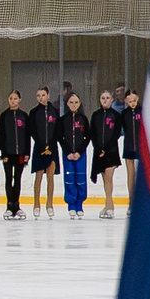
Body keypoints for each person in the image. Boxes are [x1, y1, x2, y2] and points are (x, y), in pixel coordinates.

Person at [0, 91, 30, 220]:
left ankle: (17, 205)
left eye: (15, 98)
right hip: (8, 154)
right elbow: (1, 136)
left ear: (20, 99)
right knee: (9, 178)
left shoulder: (24, 116)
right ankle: (10, 206)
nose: (13, 101)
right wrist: (3, 153)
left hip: (20, 153)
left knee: (18, 179)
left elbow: (27, 136)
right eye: (11, 98)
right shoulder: (4, 116)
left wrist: (27, 153)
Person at [27, 88, 60, 219]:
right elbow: (32, 130)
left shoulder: (55, 111)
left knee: (50, 177)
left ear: (48, 96)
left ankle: (49, 204)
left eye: (43, 95)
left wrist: (50, 145)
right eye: (38, 95)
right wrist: (42, 145)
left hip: (52, 147)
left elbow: (57, 130)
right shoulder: (33, 112)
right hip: (39, 147)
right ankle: (36, 204)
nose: (41, 97)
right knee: (39, 176)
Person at [60, 91, 93, 219]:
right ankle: (71, 204)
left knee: (80, 178)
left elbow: (87, 137)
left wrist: (79, 152)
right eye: (71, 102)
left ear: (79, 104)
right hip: (67, 155)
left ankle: (79, 204)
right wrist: (68, 152)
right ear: (67, 104)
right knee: (69, 178)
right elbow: (60, 137)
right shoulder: (63, 120)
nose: (73, 105)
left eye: (76, 102)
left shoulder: (83, 119)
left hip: (80, 154)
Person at [92, 92, 125, 219]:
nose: (105, 100)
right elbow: (93, 133)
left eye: (107, 98)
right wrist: (98, 148)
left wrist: (105, 149)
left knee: (108, 178)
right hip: (99, 152)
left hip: (111, 151)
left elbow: (116, 134)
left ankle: (110, 206)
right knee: (104, 179)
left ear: (112, 100)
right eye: (102, 98)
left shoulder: (116, 115)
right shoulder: (96, 115)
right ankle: (107, 205)